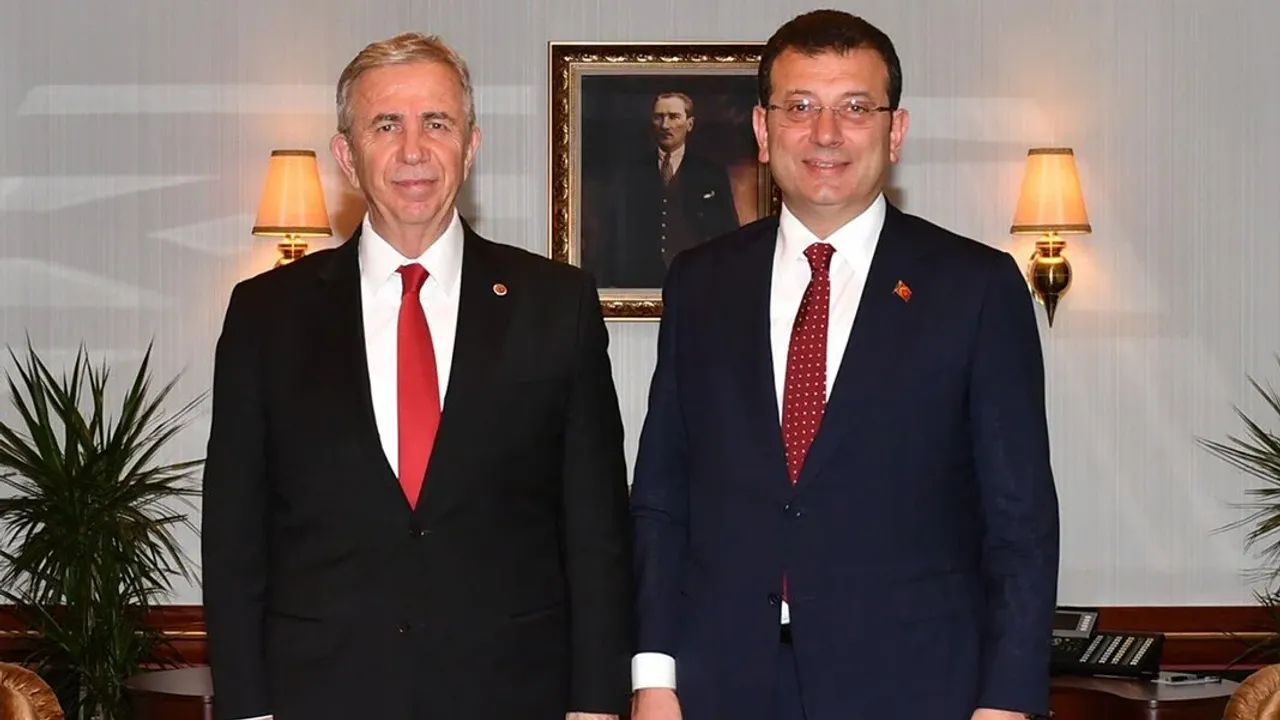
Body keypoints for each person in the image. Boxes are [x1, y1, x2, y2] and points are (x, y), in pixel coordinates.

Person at [629, 10, 1059, 720]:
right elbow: (661, 495)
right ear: (763, 130)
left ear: (896, 131)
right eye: (799, 107)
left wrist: (1008, 701)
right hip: (718, 684)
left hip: (915, 688)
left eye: (855, 108)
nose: (825, 133)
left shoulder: (974, 288)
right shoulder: (701, 282)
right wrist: (652, 676)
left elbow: (1021, 521)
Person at [201, 31, 634, 720]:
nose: (413, 150)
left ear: (470, 146)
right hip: (319, 694)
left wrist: (597, 703)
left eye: (437, 123)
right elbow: (234, 536)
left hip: (513, 692)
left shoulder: (557, 305)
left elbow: (597, 528)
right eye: (385, 125)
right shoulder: (266, 315)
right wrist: (247, 708)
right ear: (347, 156)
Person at [588, 92, 741, 288]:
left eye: (674, 117)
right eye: (658, 117)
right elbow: (612, 233)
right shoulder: (631, 173)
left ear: (690, 124)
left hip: (697, 280)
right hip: (640, 282)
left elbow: (729, 234)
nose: (665, 125)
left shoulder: (710, 173)